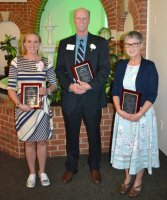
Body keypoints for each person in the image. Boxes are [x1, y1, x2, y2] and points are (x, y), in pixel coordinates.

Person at [56, 8, 110, 184]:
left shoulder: (100, 42)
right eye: (78, 18)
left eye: (84, 18)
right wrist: (70, 86)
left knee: (94, 133)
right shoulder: (64, 43)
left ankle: (95, 167)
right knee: (71, 134)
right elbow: (60, 70)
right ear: (74, 20)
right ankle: (71, 167)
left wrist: (90, 85)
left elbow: (105, 69)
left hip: (92, 97)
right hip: (71, 98)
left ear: (89, 20)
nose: (81, 21)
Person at [110, 31, 159, 197]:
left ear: (141, 45)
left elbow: (152, 94)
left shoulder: (149, 66)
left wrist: (139, 114)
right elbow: (116, 90)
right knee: (126, 147)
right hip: (123, 114)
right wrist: (118, 110)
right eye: (128, 44)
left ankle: (138, 180)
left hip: (142, 116)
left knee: (139, 148)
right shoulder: (121, 65)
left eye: (134, 44)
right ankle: (127, 177)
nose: (131, 47)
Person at [7, 32, 57, 188]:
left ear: (39, 44)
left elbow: (54, 84)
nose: (32, 45)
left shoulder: (45, 61)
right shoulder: (17, 62)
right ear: (24, 43)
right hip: (24, 108)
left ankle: (42, 172)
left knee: (42, 141)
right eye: (29, 41)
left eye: (36, 42)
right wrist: (18, 104)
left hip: (41, 107)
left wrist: (47, 91)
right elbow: (10, 88)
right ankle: (32, 173)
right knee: (28, 142)